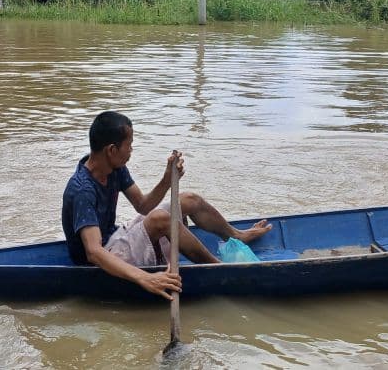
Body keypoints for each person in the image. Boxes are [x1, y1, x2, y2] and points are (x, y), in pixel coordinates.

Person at [61, 111, 272, 300]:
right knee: (160, 219)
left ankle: (236, 235)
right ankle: (220, 269)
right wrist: (146, 278)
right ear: (112, 150)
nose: (131, 150)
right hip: (100, 261)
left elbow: (143, 205)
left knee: (189, 200)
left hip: (116, 237)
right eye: (129, 145)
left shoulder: (115, 168)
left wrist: (167, 179)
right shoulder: (83, 190)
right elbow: (94, 252)